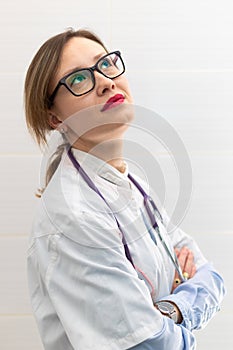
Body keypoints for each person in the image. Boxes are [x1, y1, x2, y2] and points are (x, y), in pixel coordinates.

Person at [24, 28, 225, 350]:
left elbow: (211, 278)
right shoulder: (72, 217)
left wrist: (167, 310)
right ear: (53, 117)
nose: (105, 81)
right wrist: (176, 304)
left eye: (105, 64)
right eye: (78, 79)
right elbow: (149, 343)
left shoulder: (133, 184)